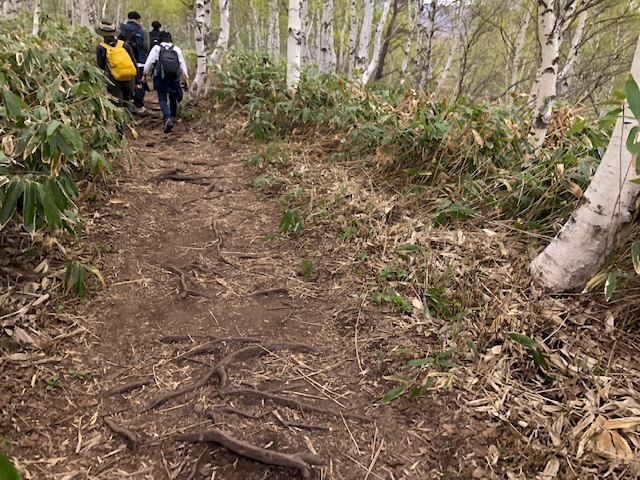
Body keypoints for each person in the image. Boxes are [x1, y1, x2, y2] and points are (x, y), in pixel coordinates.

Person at [95, 19, 137, 136]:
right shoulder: (124, 45)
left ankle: (119, 131)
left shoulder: (101, 47)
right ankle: (128, 127)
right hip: (129, 79)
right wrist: (137, 81)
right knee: (127, 102)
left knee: (117, 105)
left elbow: (101, 65)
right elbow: (133, 62)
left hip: (113, 80)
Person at [142, 31, 189, 133]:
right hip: (174, 76)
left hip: (160, 76)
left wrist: (144, 75)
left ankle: (167, 118)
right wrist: (186, 79)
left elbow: (149, 62)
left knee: (162, 98)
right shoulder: (176, 49)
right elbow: (182, 65)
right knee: (173, 97)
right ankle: (173, 116)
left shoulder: (157, 48)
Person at [119, 11, 150, 113]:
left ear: (128, 18)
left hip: (123, 61)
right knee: (139, 82)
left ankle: (124, 105)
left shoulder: (121, 28)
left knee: (124, 82)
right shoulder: (143, 31)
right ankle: (138, 105)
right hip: (139, 61)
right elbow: (146, 46)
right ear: (138, 19)